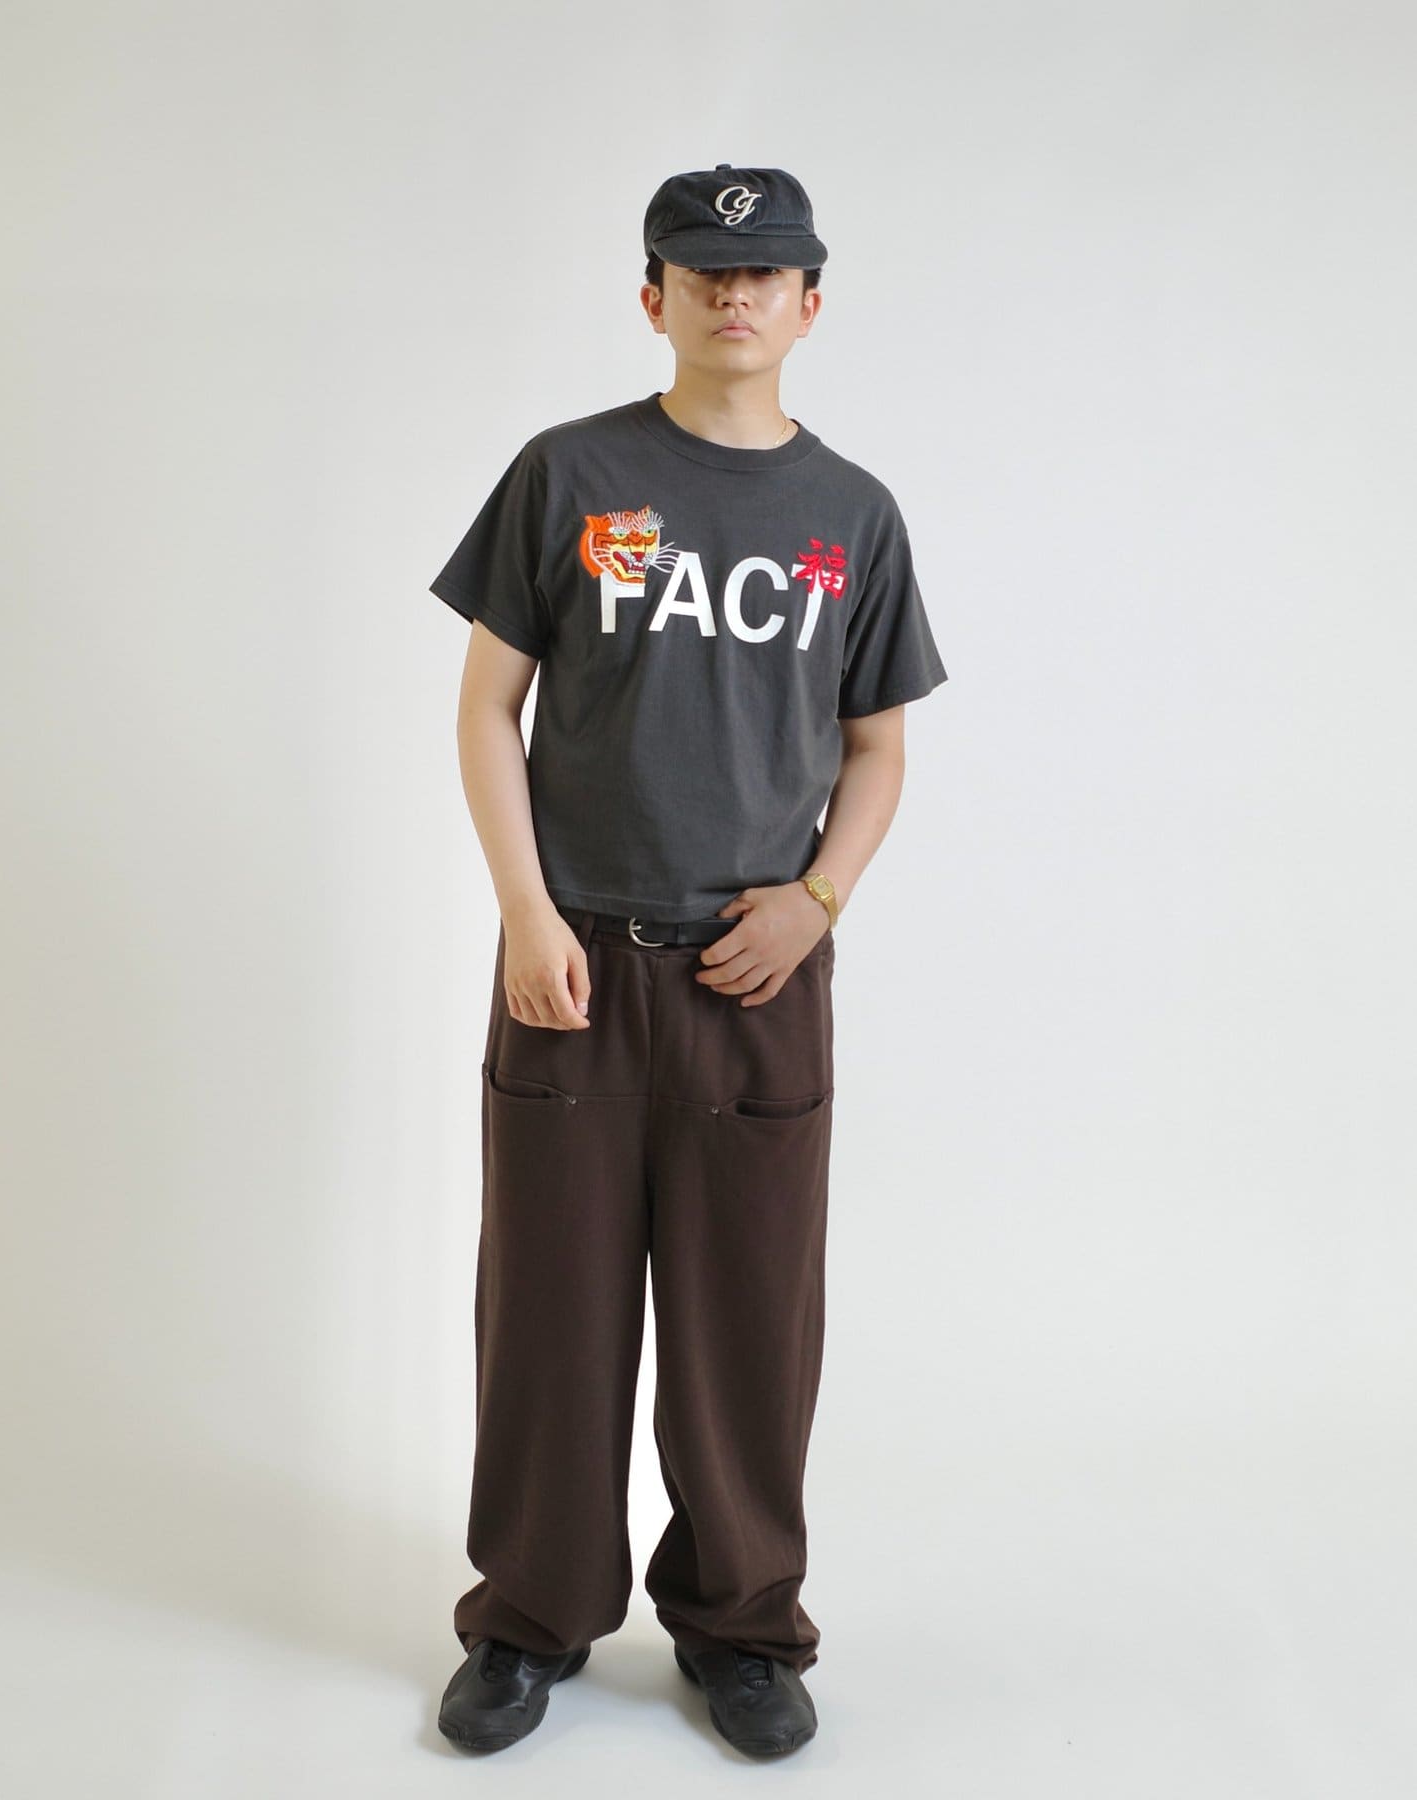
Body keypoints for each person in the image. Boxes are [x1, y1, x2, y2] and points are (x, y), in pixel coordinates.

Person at [428, 163, 948, 1757]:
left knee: (748, 1324)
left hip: (756, 981)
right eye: (703, 271)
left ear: (810, 305)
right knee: (550, 1314)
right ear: (653, 296)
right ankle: (530, 1615)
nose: (736, 294)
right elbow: (487, 707)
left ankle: (741, 1625)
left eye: (767, 273)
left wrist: (820, 900)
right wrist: (526, 913)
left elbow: (878, 748)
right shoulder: (570, 474)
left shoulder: (852, 514)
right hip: (574, 968)